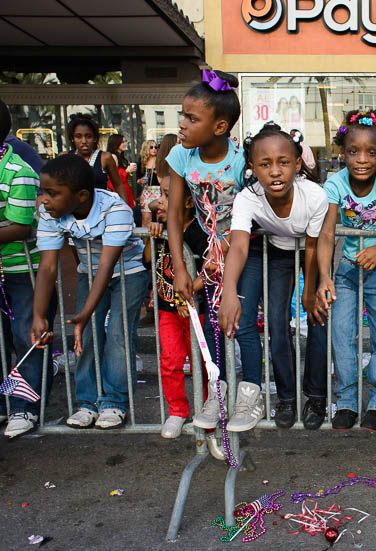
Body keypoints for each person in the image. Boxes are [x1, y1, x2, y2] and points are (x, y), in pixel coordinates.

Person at [218, 124, 328, 430]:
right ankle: (287, 398)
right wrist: (229, 291)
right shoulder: (247, 198)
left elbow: (314, 243)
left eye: (283, 163)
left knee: (318, 318)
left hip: (312, 252)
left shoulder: (315, 195)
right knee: (277, 325)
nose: (275, 172)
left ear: (296, 164)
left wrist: (309, 292)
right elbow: (239, 244)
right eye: (265, 164)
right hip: (279, 254)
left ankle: (316, 396)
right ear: (253, 168)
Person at [166, 70, 255, 433]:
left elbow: (253, 214)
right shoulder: (180, 156)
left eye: (192, 118)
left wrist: (222, 253)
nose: (182, 126)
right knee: (210, 323)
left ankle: (249, 396)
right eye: (182, 116)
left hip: (242, 248)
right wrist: (180, 267)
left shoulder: (240, 159)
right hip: (204, 252)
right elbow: (173, 214)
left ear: (219, 126)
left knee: (244, 323)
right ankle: (216, 393)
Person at [31, 154, 149, 430]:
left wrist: (85, 312)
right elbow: (48, 268)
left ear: (81, 195)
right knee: (84, 336)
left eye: (52, 193)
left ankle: (114, 403)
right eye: (43, 192)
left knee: (118, 335)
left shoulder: (115, 209)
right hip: (89, 273)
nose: (44, 199)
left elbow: (107, 265)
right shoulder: (50, 212)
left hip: (127, 273)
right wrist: (39, 315)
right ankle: (87, 403)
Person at [0, 94, 54, 439]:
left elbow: (22, 227)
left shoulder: (19, 172)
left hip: (21, 273)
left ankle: (24, 407)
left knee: (24, 337)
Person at [315, 110, 376, 432]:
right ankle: (348, 401)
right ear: (343, 153)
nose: (362, 159)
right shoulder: (335, 182)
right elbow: (326, 233)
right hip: (348, 271)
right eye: (353, 152)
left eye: (371, 152)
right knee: (342, 336)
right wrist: (325, 276)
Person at [143, 177, 208, 438]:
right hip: (167, 309)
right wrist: (152, 236)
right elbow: (149, 261)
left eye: (167, 196)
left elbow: (210, 270)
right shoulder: (161, 228)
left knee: (202, 364)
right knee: (170, 360)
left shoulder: (199, 232)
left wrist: (188, 294)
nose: (159, 202)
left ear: (189, 202)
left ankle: (205, 413)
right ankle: (177, 411)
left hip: (195, 308)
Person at [66, 114, 127, 203]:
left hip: (100, 210)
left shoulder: (105, 158)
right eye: (78, 136)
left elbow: (118, 185)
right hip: (74, 211)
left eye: (88, 136)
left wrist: (123, 208)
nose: (84, 141)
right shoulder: (66, 158)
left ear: (95, 138)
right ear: (72, 138)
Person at [141, 134, 176, 227]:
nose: (154, 149)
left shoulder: (160, 160)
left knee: (159, 217)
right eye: (151, 147)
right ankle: (146, 241)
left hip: (158, 191)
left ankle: (158, 240)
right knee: (146, 218)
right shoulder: (142, 163)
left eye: (155, 147)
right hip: (147, 191)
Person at [106, 134, 135, 208]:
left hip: (125, 190)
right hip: (118, 192)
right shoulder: (113, 156)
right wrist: (127, 171)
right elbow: (113, 176)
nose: (125, 144)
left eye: (125, 141)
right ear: (116, 144)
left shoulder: (122, 157)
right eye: (122, 142)